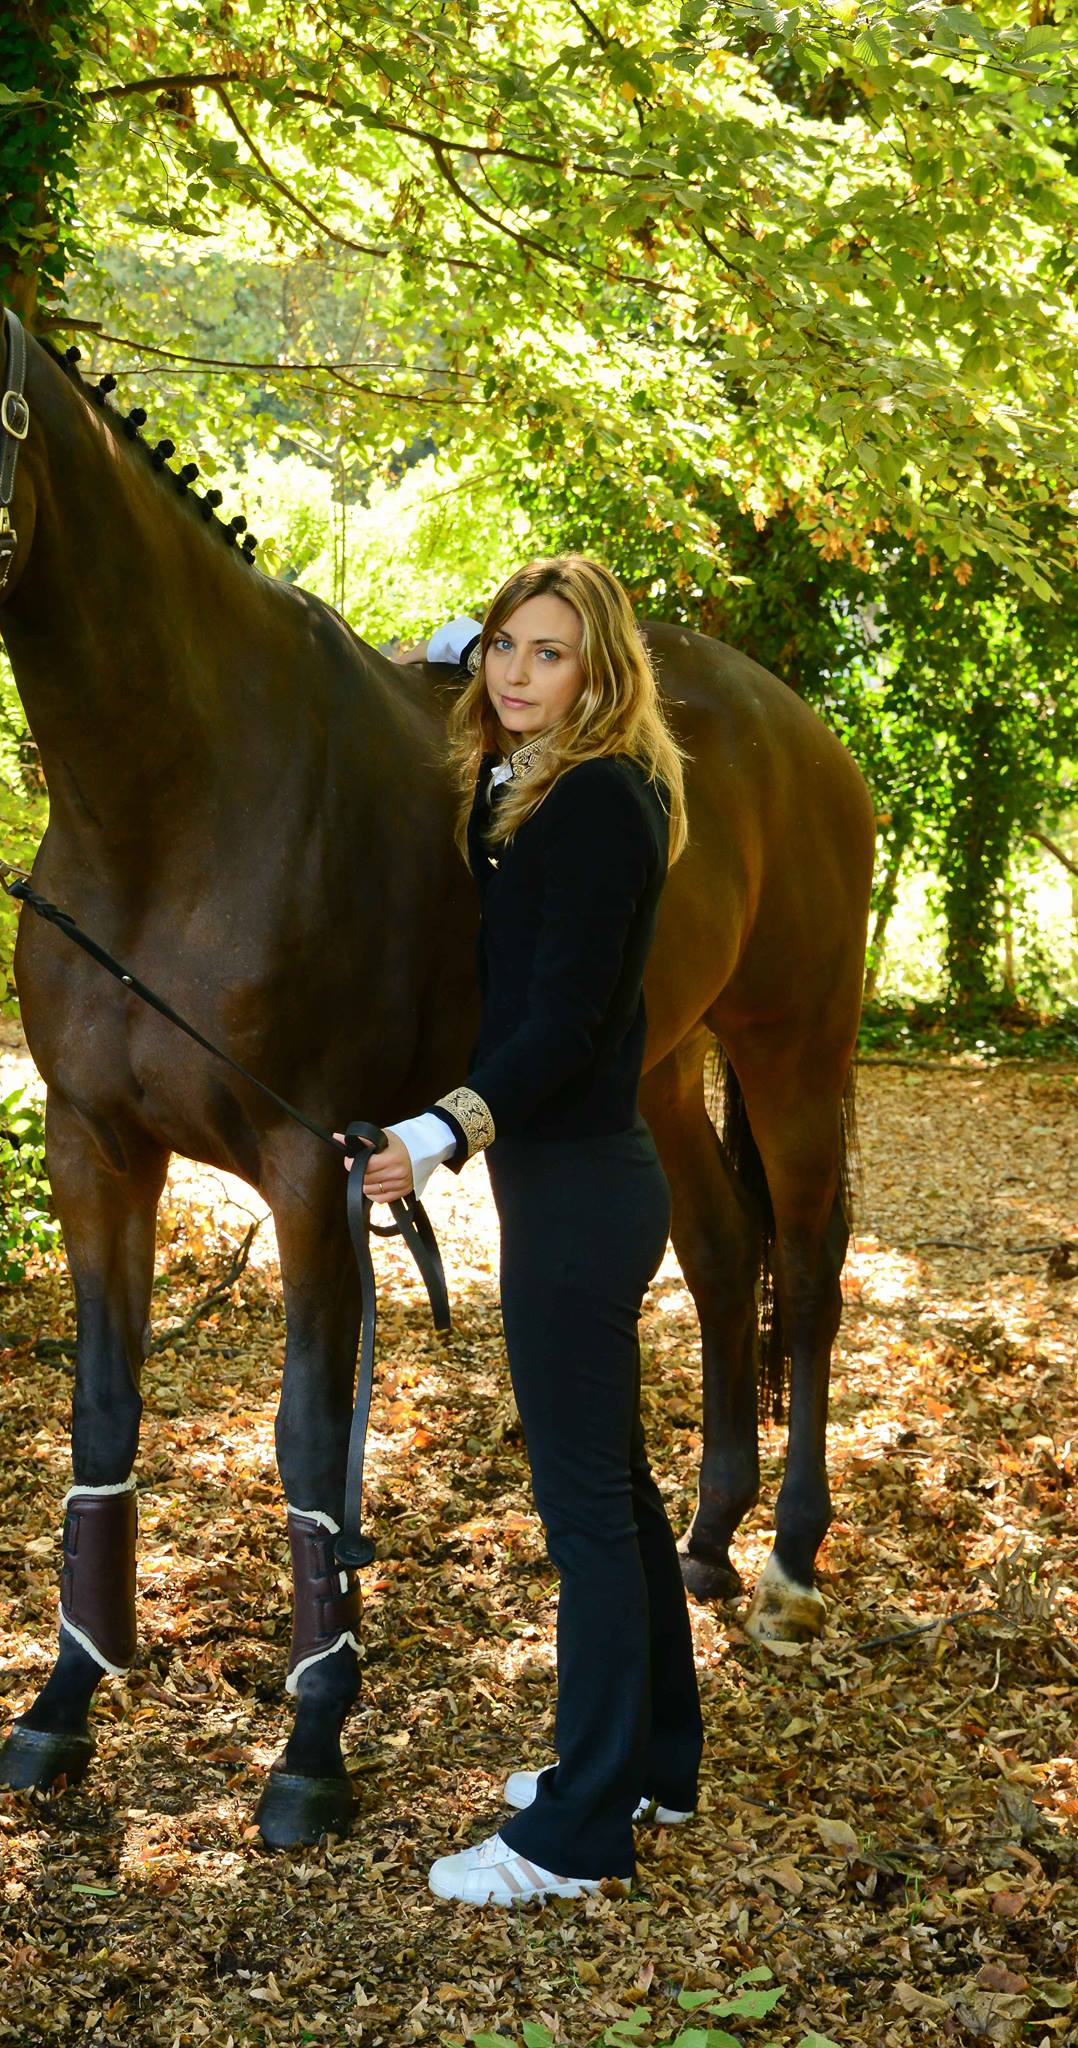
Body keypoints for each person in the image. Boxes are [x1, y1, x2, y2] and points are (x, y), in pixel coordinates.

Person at [345, 557, 702, 1906]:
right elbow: (478, 686)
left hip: (579, 1190)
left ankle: (578, 1834)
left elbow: (561, 1021)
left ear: (602, 678)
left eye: (548, 655)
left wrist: (438, 1132)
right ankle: (654, 1761)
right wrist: (456, 644)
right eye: (502, 648)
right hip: (566, 1183)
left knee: (584, 1523)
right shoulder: (547, 780)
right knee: (614, 1493)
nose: (511, 672)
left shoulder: (599, 802)